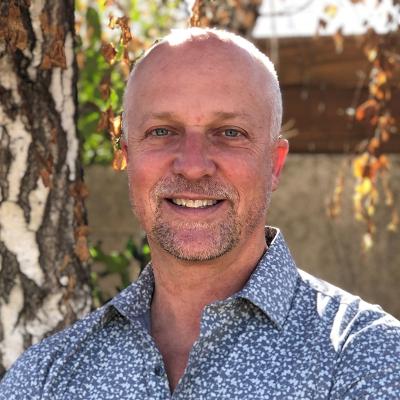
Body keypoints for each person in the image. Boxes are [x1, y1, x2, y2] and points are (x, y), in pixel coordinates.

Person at [1, 27, 399, 400]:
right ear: (127, 156)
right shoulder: (44, 379)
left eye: (229, 133)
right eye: (162, 131)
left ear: (274, 165)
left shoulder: (369, 357)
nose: (193, 165)